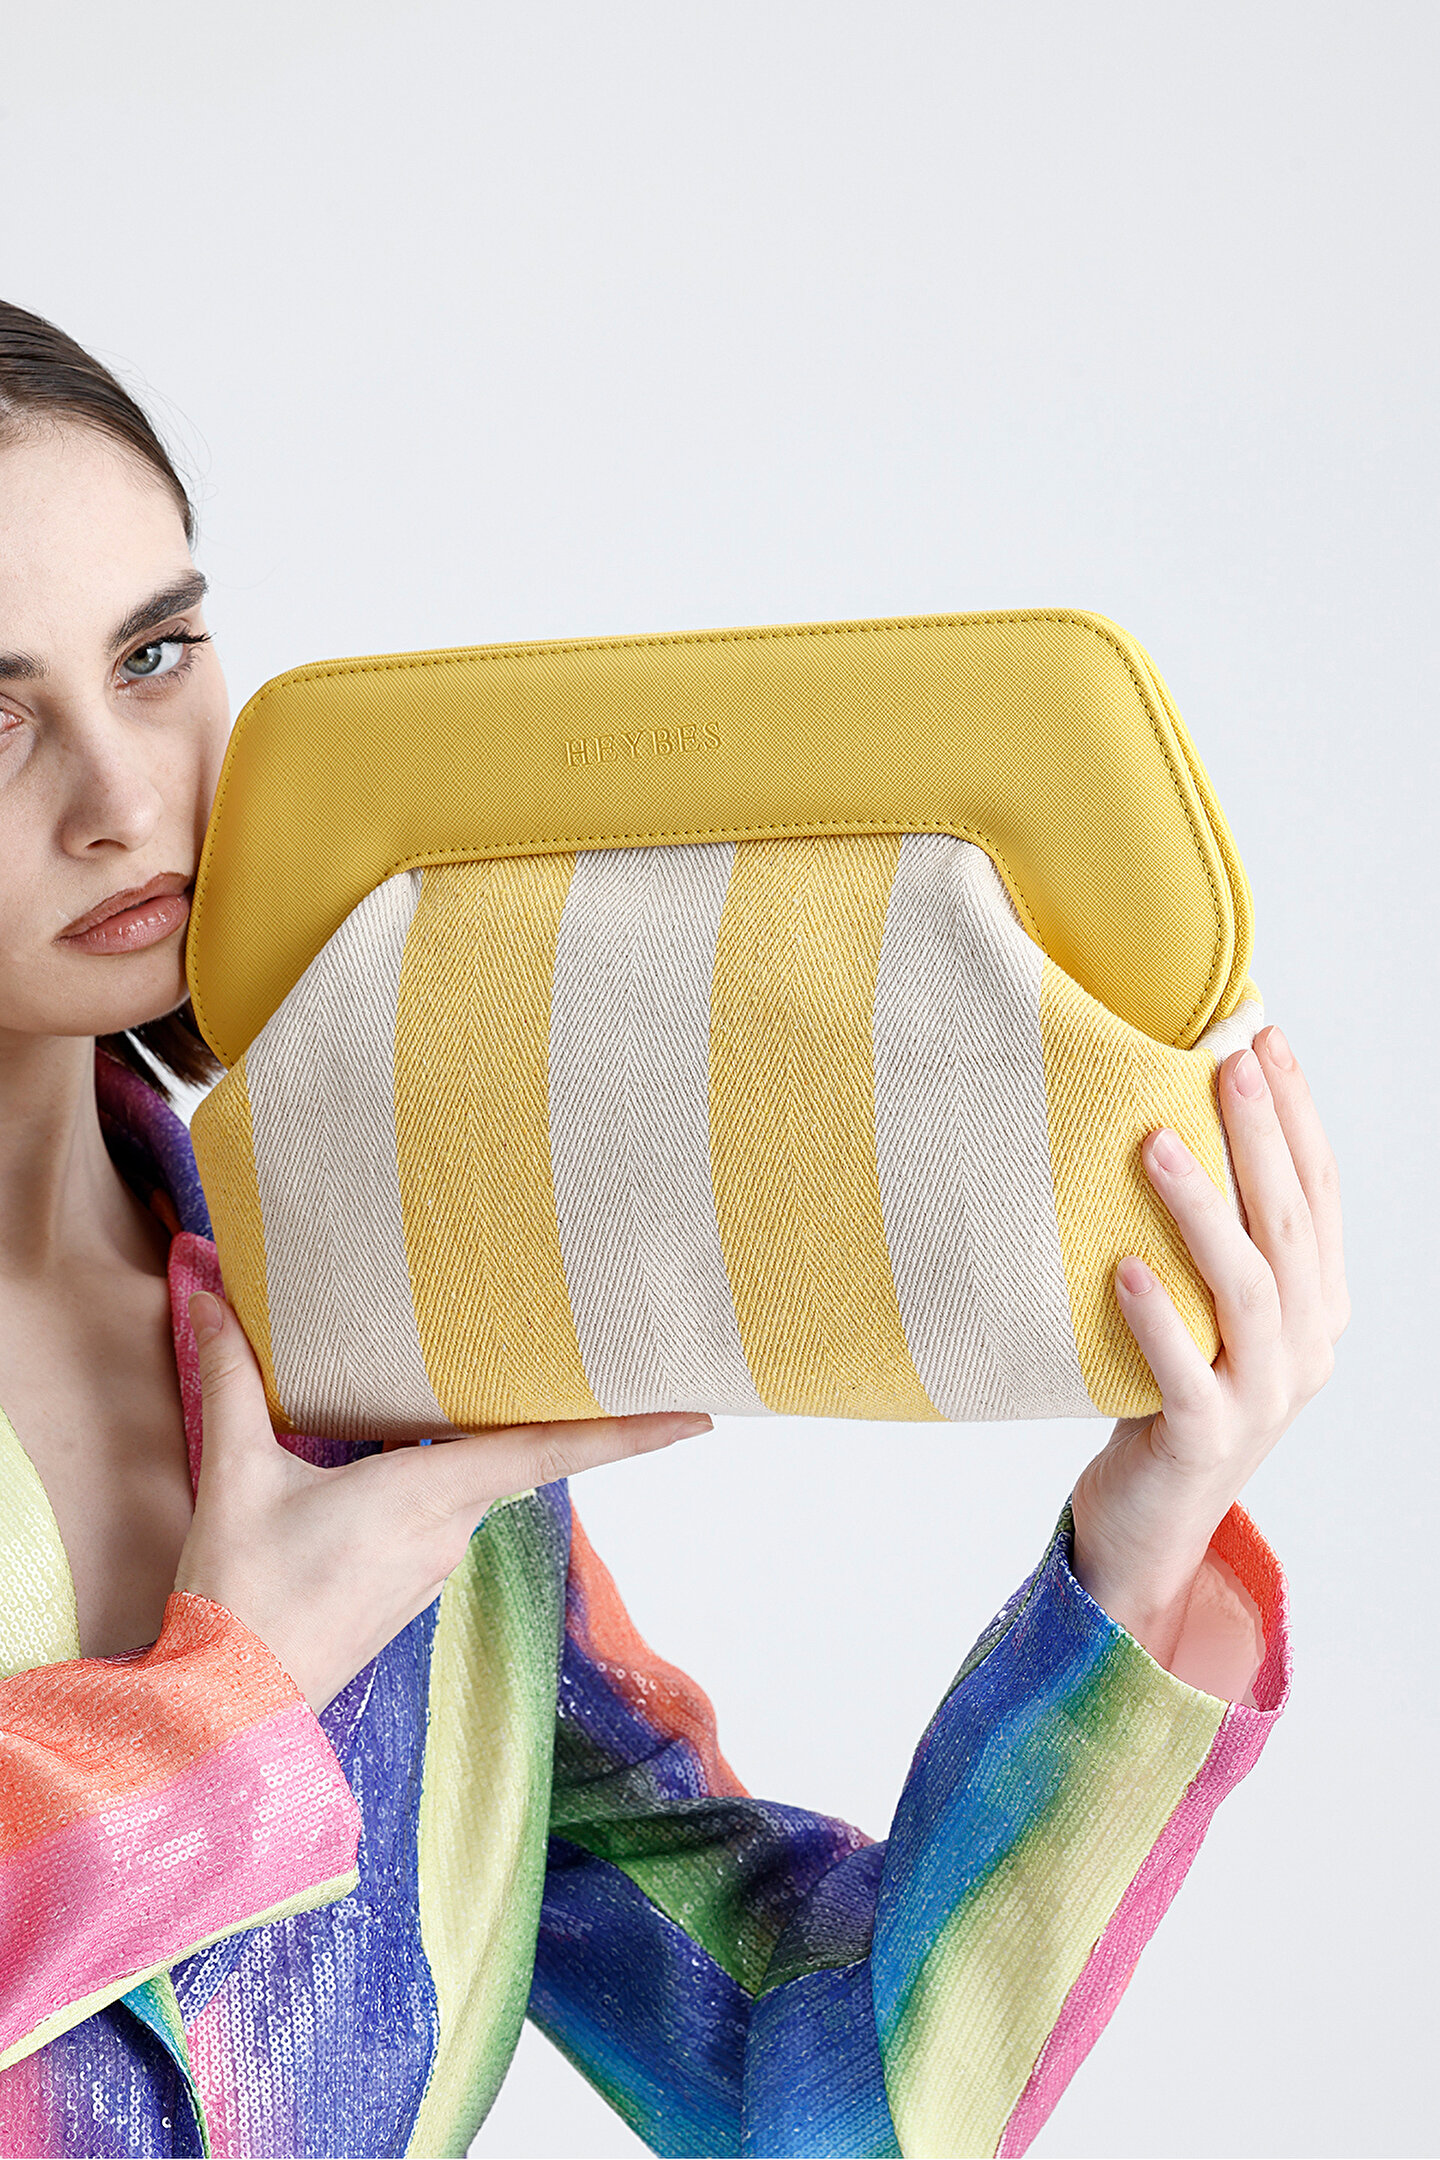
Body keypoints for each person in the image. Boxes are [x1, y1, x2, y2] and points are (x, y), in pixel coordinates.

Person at [0, 299, 1348, 2160]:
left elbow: (815, 2103)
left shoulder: (371, 1307)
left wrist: (1137, 1550)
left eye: (154, 654)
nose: (125, 799)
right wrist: (233, 1705)